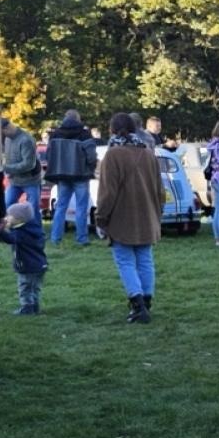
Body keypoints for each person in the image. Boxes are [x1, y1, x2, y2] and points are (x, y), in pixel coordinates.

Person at [97, 113, 164, 323]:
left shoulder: (113, 155)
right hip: (147, 214)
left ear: (112, 130)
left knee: (125, 260)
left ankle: (137, 304)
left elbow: (108, 192)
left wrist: (101, 218)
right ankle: (146, 300)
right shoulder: (148, 154)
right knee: (145, 259)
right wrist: (157, 212)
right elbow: (159, 190)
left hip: (122, 216)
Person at [43, 109, 99, 246]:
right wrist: (90, 168)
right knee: (81, 207)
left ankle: (55, 238)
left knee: (61, 206)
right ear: (78, 119)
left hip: (62, 174)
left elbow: (49, 154)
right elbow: (91, 155)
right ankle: (82, 239)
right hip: (80, 174)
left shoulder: (55, 134)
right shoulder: (84, 134)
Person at [0, 203, 49, 315]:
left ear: (19, 219)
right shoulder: (32, 229)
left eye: (9, 216)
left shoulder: (21, 233)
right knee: (34, 288)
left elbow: (10, 239)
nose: (6, 218)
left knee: (25, 288)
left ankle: (27, 308)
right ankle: (35, 307)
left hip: (28, 266)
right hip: (40, 265)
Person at [1, 119, 43, 221]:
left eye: (1, 132)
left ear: (6, 128)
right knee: (7, 204)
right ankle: (11, 229)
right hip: (14, 181)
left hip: (30, 181)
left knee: (32, 208)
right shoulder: (7, 139)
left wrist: (7, 168)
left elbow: (29, 164)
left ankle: (36, 234)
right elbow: (9, 158)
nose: (1, 135)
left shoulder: (26, 140)